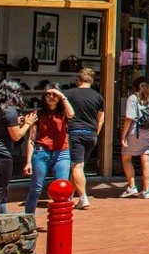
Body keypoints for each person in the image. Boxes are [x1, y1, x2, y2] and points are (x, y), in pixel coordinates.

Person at [24, 84, 75, 214]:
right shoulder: (38, 114)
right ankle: (28, 219)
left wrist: (62, 96)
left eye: (54, 94)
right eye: (48, 94)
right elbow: (31, 138)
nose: (51, 97)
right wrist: (28, 161)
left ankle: (61, 220)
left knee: (62, 188)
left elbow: (71, 114)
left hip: (62, 152)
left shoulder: (63, 113)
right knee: (36, 188)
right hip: (42, 152)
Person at [0, 80, 35, 213]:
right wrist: (28, 123)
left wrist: (17, 122)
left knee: (1, 192)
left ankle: (3, 218)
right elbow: (17, 136)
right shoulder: (10, 111)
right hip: (1, 156)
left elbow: (1, 127)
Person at [66, 68, 105, 210]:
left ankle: (83, 198)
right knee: (78, 167)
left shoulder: (68, 94)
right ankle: (68, 196)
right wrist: (96, 134)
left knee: (77, 166)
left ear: (78, 80)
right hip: (91, 134)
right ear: (92, 81)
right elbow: (100, 119)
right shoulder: (98, 97)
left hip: (75, 132)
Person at [119, 81, 149, 199]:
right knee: (146, 160)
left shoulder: (133, 98)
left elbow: (129, 118)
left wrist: (123, 135)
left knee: (126, 157)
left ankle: (132, 186)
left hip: (135, 132)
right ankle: (146, 191)